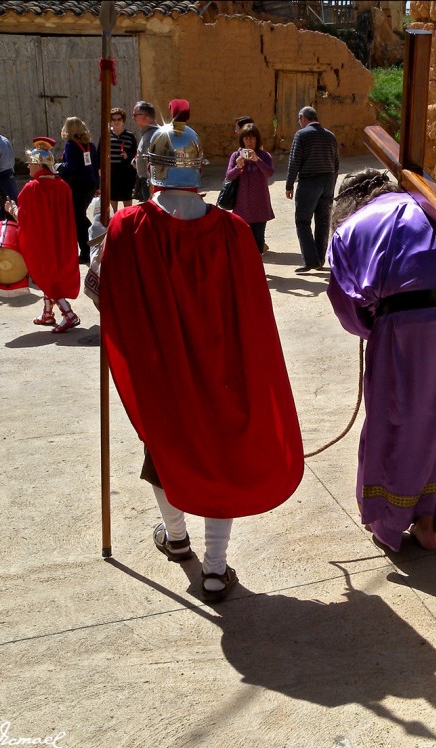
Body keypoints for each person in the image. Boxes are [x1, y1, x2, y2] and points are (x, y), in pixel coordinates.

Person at [99, 101, 304, 602]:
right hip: (224, 371)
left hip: (163, 369)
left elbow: (105, 297)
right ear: (198, 168)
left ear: (152, 167)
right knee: (220, 457)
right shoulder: (233, 230)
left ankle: (175, 539)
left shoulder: (128, 227)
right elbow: (255, 314)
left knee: (165, 450)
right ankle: (215, 569)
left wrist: (98, 238)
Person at [327, 169, 436, 552]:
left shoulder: (351, 228)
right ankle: (428, 522)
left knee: (398, 419)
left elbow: (347, 307)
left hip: (410, 326)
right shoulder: (430, 204)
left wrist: (375, 326)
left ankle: (388, 524)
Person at [7, 137, 81, 333]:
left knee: (45, 275)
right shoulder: (63, 185)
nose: (29, 168)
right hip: (61, 239)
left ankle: (68, 313)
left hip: (42, 240)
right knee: (53, 274)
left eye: (31, 164)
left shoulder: (32, 188)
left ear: (40, 165)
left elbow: (24, 218)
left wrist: (12, 209)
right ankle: (48, 313)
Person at [285, 105, 338, 274]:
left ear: (303, 118)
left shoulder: (301, 135)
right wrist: (332, 184)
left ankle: (310, 260)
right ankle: (320, 259)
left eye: (299, 120)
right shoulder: (330, 136)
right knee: (322, 221)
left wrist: (289, 184)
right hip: (328, 180)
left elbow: (294, 161)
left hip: (309, 181)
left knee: (303, 220)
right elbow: (336, 164)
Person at [224, 122, 274, 254]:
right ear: (242, 140)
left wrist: (257, 160)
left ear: (257, 139)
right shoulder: (236, 156)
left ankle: (256, 272)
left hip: (259, 205)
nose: (249, 141)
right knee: (242, 242)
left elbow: (269, 173)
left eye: (252, 138)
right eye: (246, 138)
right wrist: (238, 167)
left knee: (258, 243)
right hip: (242, 206)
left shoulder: (264, 156)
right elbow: (229, 176)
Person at [56, 116, 100, 264]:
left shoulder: (70, 145)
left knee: (78, 219)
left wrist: (58, 167)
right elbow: (95, 167)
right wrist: (97, 185)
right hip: (90, 183)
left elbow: (72, 167)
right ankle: (91, 242)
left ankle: (88, 249)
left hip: (78, 185)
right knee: (80, 217)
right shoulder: (90, 145)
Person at [107, 107, 137, 212]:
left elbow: (135, 153)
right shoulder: (106, 136)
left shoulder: (130, 136)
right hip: (111, 172)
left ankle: (128, 219)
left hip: (126, 173)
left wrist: (128, 156)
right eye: (114, 119)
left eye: (119, 119)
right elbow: (99, 153)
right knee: (113, 197)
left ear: (123, 120)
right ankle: (114, 219)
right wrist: (99, 168)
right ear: (110, 121)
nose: (116, 122)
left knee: (127, 197)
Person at [131, 101, 159, 202]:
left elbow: (154, 165)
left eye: (135, 115)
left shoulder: (153, 135)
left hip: (150, 184)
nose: (133, 118)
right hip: (146, 183)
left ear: (144, 116)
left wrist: (151, 190)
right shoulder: (149, 134)